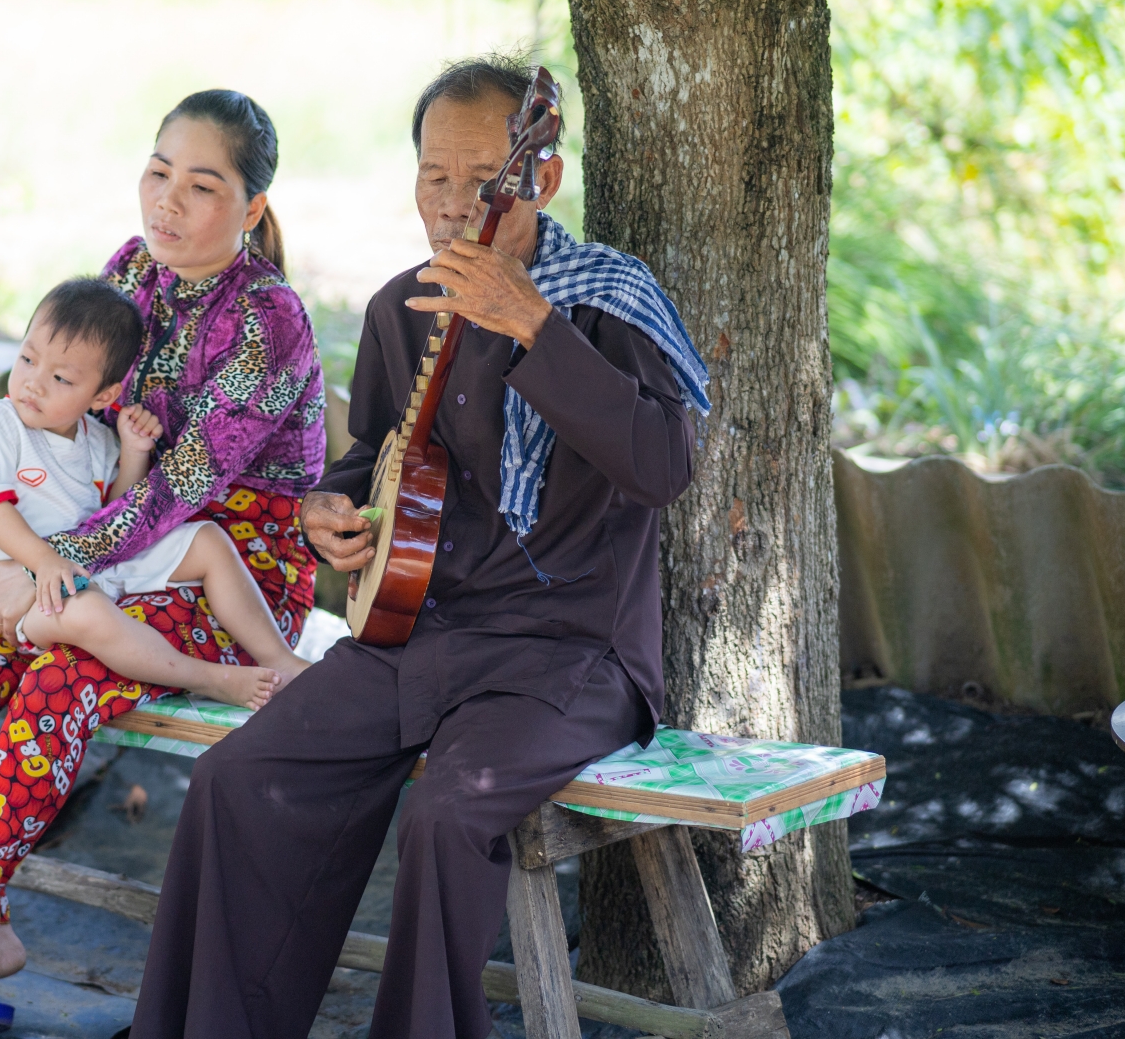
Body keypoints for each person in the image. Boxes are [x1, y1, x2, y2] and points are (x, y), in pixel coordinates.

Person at [128, 56, 710, 1039]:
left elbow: (663, 464)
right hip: (417, 638)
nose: (449, 203)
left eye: (480, 180)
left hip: (572, 653)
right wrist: (332, 513)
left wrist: (532, 324)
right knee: (237, 779)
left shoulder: (608, 296)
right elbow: (373, 462)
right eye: (431, 176)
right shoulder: (404, 306)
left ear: (542, 180)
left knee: (446, 814)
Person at [0, 90, 326, 1037]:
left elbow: (176, 492)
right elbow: (48, 436)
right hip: (87, 545)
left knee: (58, 680)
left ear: (252, 209)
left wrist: (39, 569)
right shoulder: (126, 275)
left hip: (224, 569)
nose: (167, 203)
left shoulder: (269, 319)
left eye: (202, 185)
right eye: (157, 172)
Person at [0, 276, 310, 711]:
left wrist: (134, 454)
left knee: (209, 541)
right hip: (30, 594)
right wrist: (43, 562)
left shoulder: (95, 439)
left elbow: (113, 509)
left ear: (103, 395)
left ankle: (281, 661)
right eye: (27, 358)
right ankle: (213, 680)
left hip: (91, 566)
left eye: (61, 378)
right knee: (91, 615)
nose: (34, 383)